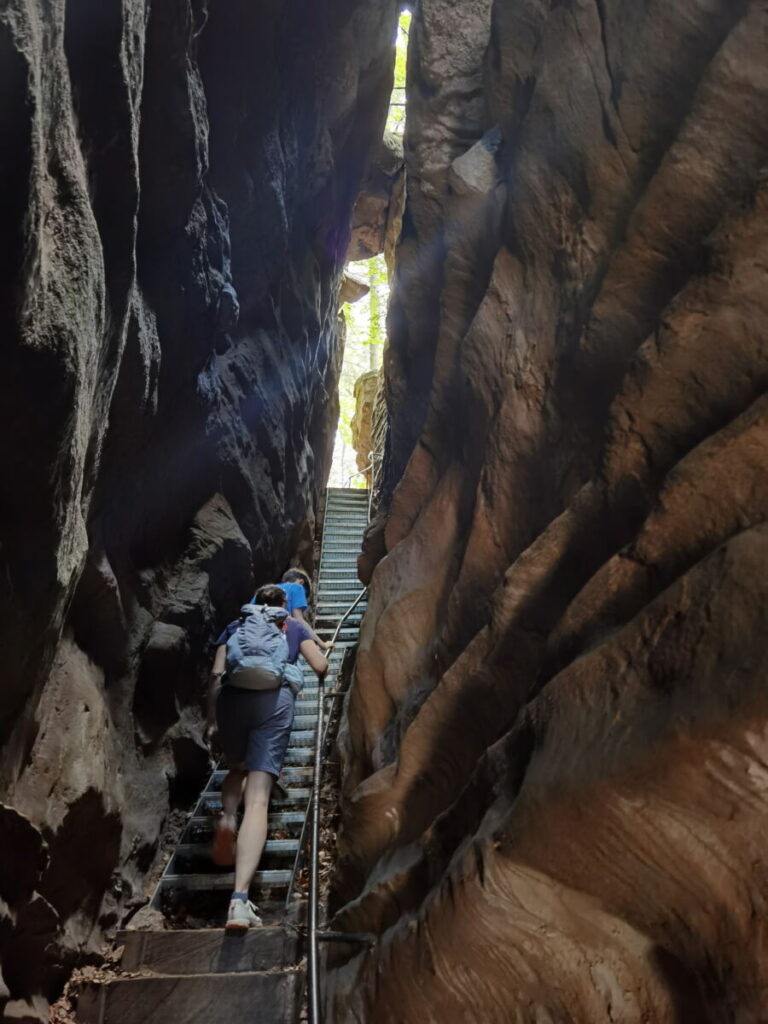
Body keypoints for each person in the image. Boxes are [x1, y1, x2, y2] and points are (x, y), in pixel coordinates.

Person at [205, 584, 330, 931]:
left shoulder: (235, 626)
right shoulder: (291, 626)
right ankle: (239, 901)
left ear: (254, 603)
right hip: (273, 704)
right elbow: (319, 666)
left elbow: (217, 674)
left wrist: (211, 719)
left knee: (236, 767)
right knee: (258, 800)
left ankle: (228, 816)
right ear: (283, 605)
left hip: (232, 701)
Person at [275, 568, 331, 651]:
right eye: (305, 594)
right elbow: (299, 621)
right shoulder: (297, 587)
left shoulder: (267, 590)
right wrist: (323, 645)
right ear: (301, 582)